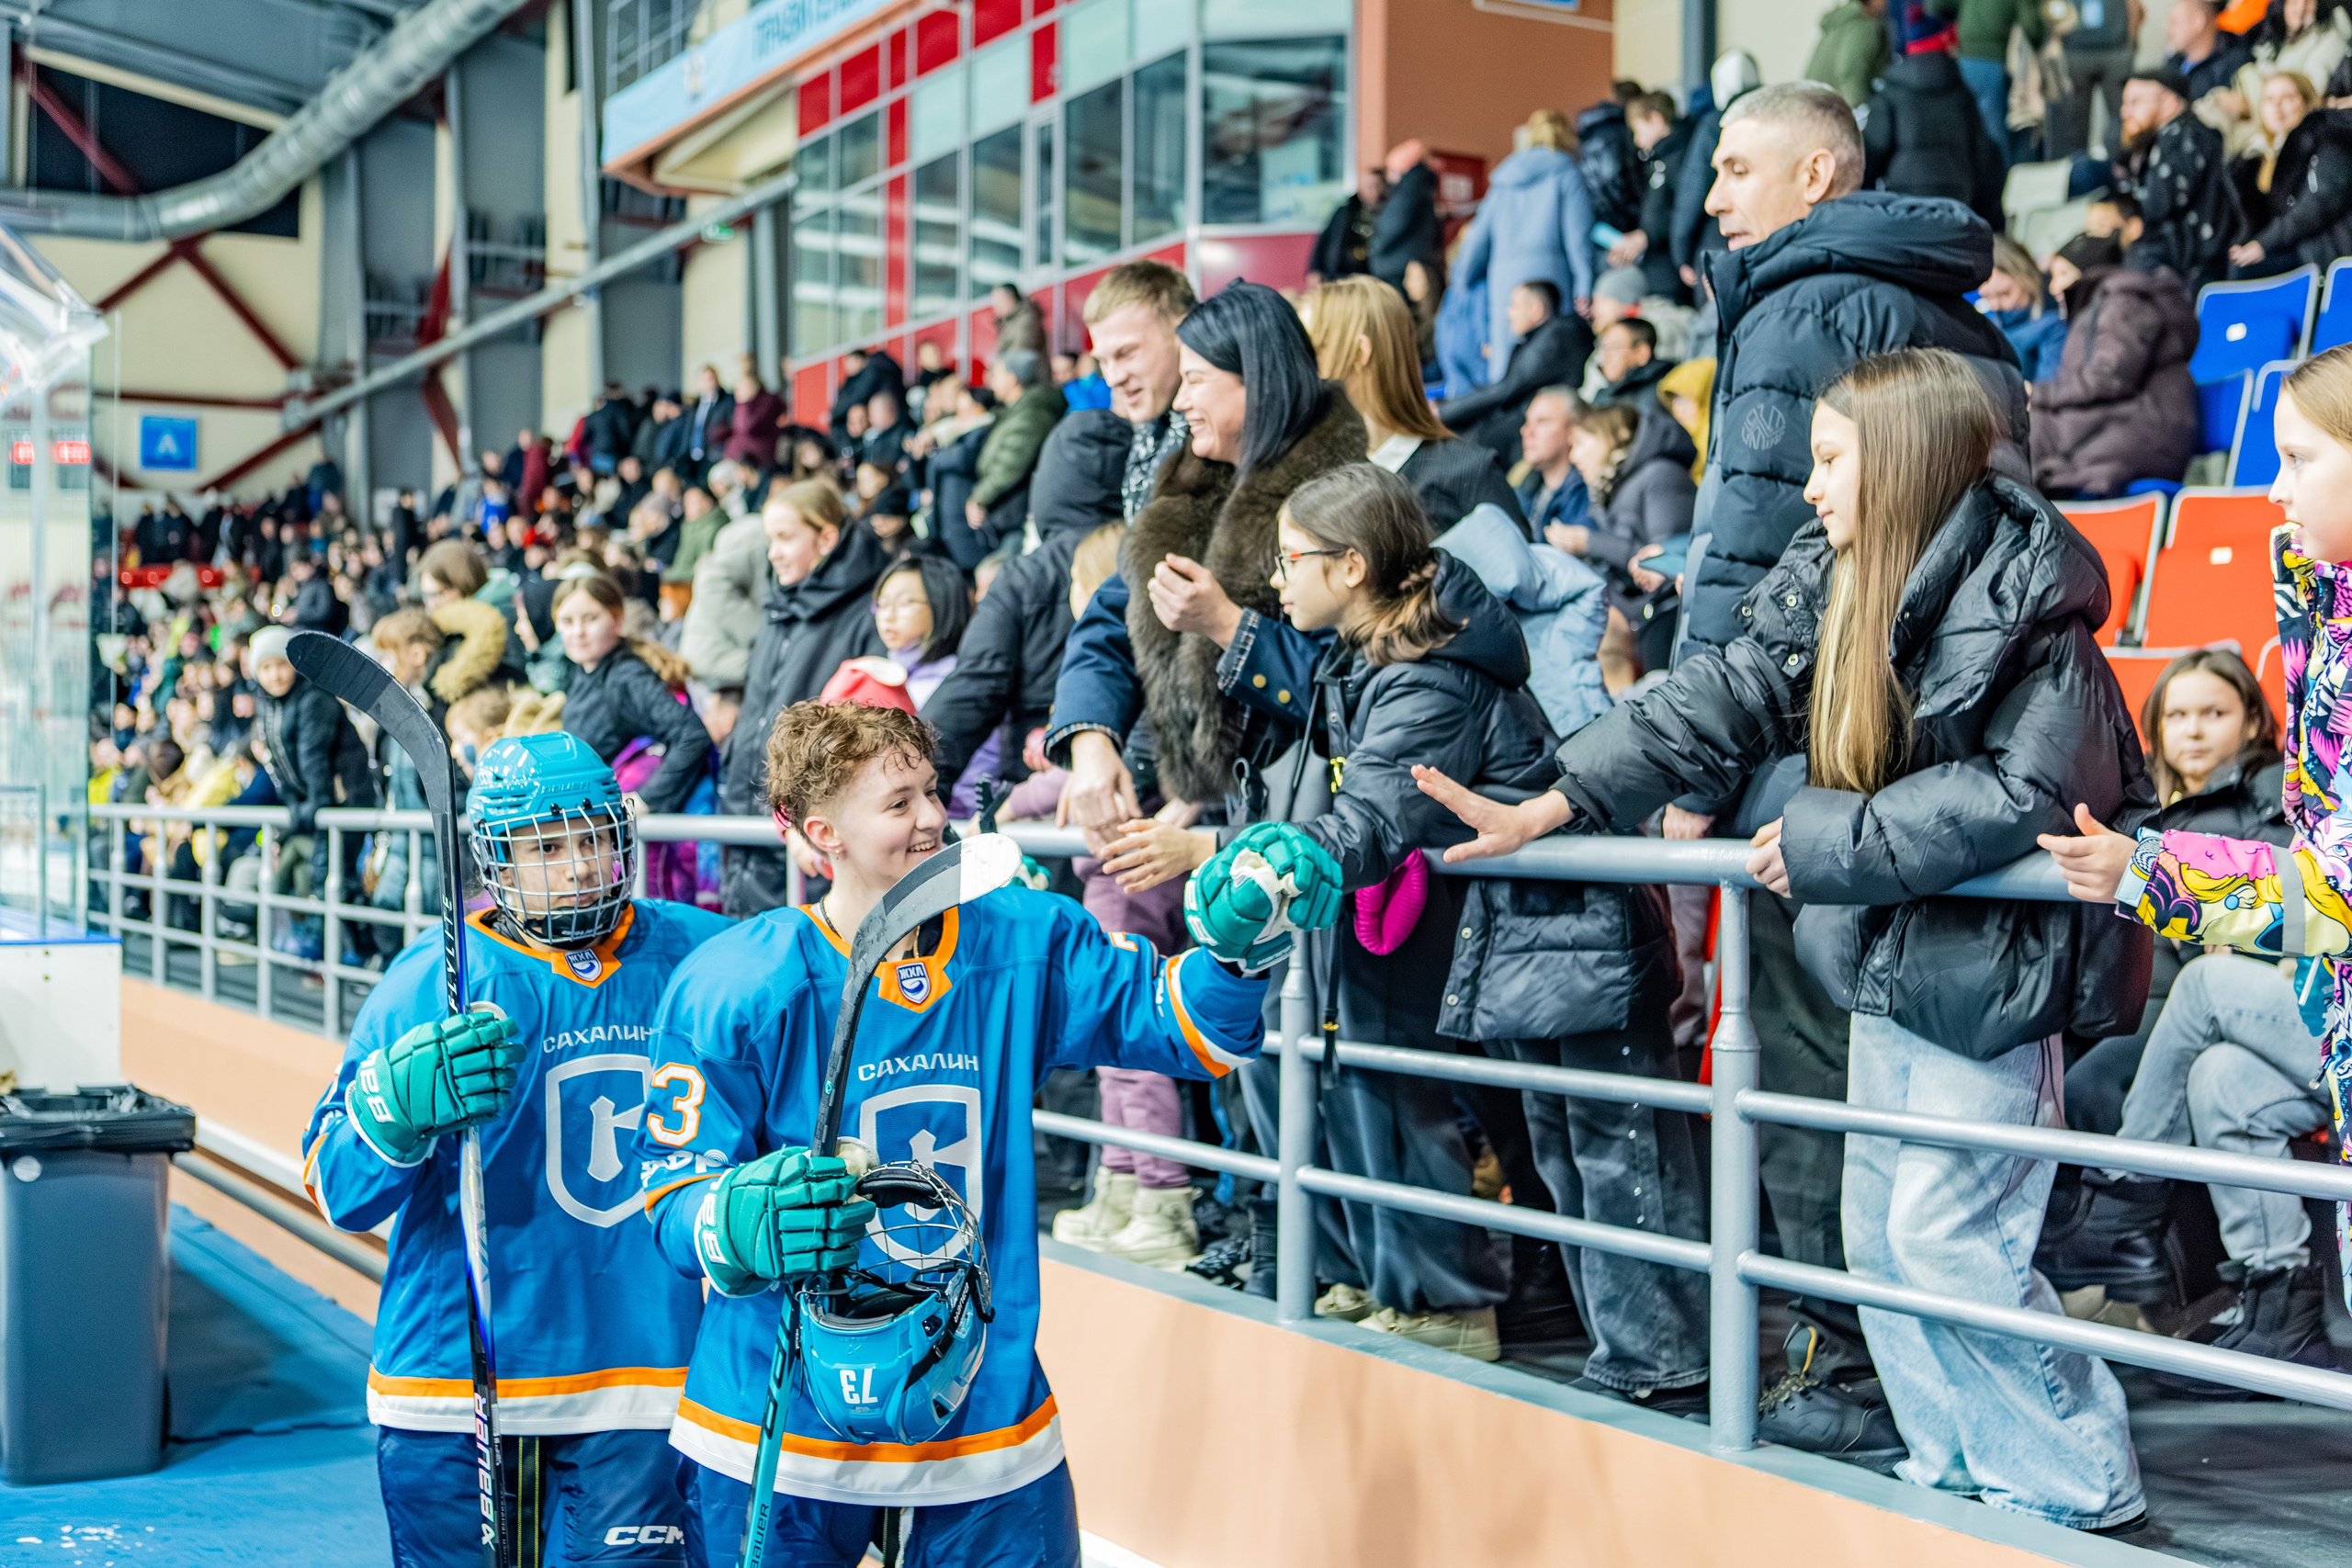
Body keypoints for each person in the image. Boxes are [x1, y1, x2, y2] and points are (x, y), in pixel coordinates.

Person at [1425, 346, 2154, 1524]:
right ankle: (1960, 1469)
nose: (1808, 489)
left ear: (1906, 465)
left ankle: (2078, 1482)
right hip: (1889, 958)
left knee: (1946, 1236)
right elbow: (1713, 696)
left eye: (1829, 462)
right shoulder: (1837, 571)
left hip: (2000, 982)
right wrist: (1551, 803)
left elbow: (2014, 799)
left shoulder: (2036, 599)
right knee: (1876, 1235)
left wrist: (1818, 840)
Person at [636, 699, 1305, 1566]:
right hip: (779, 1408)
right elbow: (671, 1191)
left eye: (931, 792)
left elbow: (1182, 1026)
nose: (930, 820)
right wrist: (736, 1218)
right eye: (897, 803)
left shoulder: (1023, 936)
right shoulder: (737, 982)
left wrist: (1240, 950)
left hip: (982, 1403)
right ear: (818, 832)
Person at [303, 733, 732, 1566]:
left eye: (592, 838)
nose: (577, 866)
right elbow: (337, 1188)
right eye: (545, 846)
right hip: (454, 1387)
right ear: (495, 859)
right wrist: (392, 1114)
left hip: (643, 1383)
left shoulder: (706, 956)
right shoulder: (434, 978)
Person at [2040, 346, 2352, 1389]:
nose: (2272, 489)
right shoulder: (2328, 617)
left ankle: (2121, 1210)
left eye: (2298, 460)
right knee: (2220, 1074)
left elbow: (2333, 899)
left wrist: (2151, 870)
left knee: (2215, 989)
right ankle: (2277, 1303)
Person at [1045, 280, 1367, 838]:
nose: (1180, 401)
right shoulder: (1184, 482)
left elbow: (1356, 685)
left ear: (1257, 383)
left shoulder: (1347, 499)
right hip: (1209, 812)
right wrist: (1091, 739)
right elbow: (1108, 620)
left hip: (1307, 831)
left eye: (1195, 381)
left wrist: (1226, 625)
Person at [923, 412, 1132, 791]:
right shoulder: (1149, 560)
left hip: (1032, 792)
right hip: (1135, 789)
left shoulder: (1024, 575)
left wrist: (910, 784)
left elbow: (974, 688)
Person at [721, 481, 891, 917]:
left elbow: (862, 734)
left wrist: (800, 816)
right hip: (750, 829)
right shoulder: (779, 609)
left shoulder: (865, 614)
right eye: (769, 540)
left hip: (809, 835)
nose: (772, 553)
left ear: (827, 538)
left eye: (784, 538)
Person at [1300, 276, 1524, 530]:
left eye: (1314, 352)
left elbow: (1518, 567)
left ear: (1360, 352)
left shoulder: (1466, 472)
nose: (1300, 371)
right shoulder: (1320, 480)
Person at [2029, 232, 2200, 497]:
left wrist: (2039, 394)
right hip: (2120, 426)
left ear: (2088, 272)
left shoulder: (2123, 302)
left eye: (2062, 274)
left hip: (2140, 432)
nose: (2053, 287)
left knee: (2024, 442)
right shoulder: (2100, 306)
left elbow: (2110, 376)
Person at [550, 570, 715, 816]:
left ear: (617, 621)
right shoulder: (583, 671)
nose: (578, 632)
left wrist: (645, 800)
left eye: (590, 618)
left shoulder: (626, 676)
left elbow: (692, 734)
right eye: (567, 621)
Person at [1453, 110, 1596, 389]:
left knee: (1504, 363)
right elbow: (1578, 239)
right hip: (1550, 278)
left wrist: (1462, 278)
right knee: (1548, 360)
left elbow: (1476, 238)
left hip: (1504, 279)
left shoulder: (1504, 180)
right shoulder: (1566, 173)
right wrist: (1584, 287)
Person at [1561, 400, 1695, 672]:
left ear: (1614, 437)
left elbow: (1667, 558)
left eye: (1581, 443)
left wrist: (1587, 541)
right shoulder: (1614, 489)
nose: (1574, 457)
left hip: (1668, 620)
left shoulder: (1661, 475)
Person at [1433, 280, 1595, 466]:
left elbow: (1506, 389)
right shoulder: (1546, 337)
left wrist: (1443, 412)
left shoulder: (1557, 336)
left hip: (1530, 425)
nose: (1509, 314)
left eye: (1514, 306)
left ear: (1535, 309)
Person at [1086, 260, 1199, 522]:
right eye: (1102, 361)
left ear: (1183, 332)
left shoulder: (1220, 435)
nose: (1113, 378)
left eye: (1126, 354)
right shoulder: (1152, 427)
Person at [2114, 64, 2243, 291]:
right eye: (2125, 103)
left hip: (2196, 274)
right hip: (2183, 268)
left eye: (2136, 102)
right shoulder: (2163, 141)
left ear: (2169, 102)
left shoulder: (2187, 137)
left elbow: (2160, 205)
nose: (2126, 112)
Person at [1864, 41, 2007, 227]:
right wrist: (1993, 219)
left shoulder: (1891, 93)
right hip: (1958, 198)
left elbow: (1872, 151)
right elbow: (1985, 155)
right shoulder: (1962, 93)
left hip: (1904, 198)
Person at [2229, 70, 2352, 275]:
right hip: (2294, 248)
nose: (2277, 107)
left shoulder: (2329, 135)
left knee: (2246, 272)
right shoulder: (2255, 159)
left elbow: (2321, 202)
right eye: (2269, 100)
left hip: (2326, 251)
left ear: (2306, 101)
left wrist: (2263, 243)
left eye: (2287, 98)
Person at [1672, 51, 1763, 293]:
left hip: (1720, 239)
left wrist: (1681, 249)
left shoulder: (1715, 124)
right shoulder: (1776, 117)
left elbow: (1695, 187)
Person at [967, 350, 1068, 553]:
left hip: (1017, 519)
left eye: (996, 375)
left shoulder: (1032, 415)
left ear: (1013, 379)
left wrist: (980, 496)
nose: (990, 381)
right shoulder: (1016, 411)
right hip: (1008, 515)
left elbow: (1009, 465)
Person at [1617, 92, 1696, 301]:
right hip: (1659, 262)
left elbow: (1686, 209)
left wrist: (1647, 235)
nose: (1637, 140)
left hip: (1672, 268)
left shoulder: (1680, 158)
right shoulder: (1659, 159)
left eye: (1639, 130)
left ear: (1656, 120)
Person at [1978, 234, 2068, 381]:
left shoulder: (2053, 321)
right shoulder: (1991, 320)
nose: (1995, 305)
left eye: (2004, 294)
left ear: (2025, 276)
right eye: (1986, 297)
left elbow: (2048, 385)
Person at [1513, 387, 1593, 543]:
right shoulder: (1524, 487)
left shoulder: (1589, 493)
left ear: (1572, 431)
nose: (1526, 431)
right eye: (1527, 422)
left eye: (1542, 422)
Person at [1370, 140, 1442, 295]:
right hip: (1412, 265)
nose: (1389, 177)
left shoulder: (1409, 189)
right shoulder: (1422, 187)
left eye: (1391, 170)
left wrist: (1374, 247)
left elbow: (1392, 225)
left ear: (1402, 169)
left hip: (1398, 270)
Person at [1578, 85, 1648, 246]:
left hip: (1597, 226)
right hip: (1625, 228)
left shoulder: (1589, 131)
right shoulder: (1624, 133)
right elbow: (1623, 182)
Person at [1309, 166, 1387, 285]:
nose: (1368, 189)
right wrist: (1314, 269)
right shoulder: (1345, 211)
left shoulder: (1388, 215)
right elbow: (1323, 239)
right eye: (1365, 185)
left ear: (1384, 187)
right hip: (1338, 275)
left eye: (1374, 185)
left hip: (1370, 279)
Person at [1808, 0, 1893, 107]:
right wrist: (1858, 113)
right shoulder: (1863, 25)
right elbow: (1849, 73)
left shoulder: (1842, 21)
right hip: (1831, 114)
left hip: (1810, 108)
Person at [1588, 318, 1673, 411]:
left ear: (1641, 353)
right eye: (1602, 348)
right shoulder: (1603, 395)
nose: (1604, 357)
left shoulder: (1664, 391)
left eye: (1612, 348)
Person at [684, 363, 734, 479]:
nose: (709, 382)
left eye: (711, 378)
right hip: (694, 457)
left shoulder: (726, 401)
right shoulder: (695, 405)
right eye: (705, 379)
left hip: (715, 456)